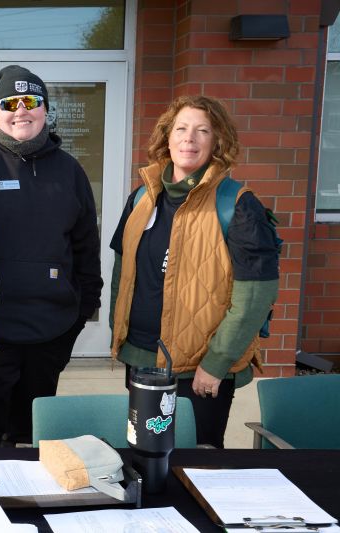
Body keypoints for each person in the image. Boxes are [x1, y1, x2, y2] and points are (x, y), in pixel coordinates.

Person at [0, 65, 103, 447]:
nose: (20, 111)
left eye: (31, 101)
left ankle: (26, 504)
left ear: (45, 110)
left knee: (32, 436)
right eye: (9, 103)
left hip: (49, 334)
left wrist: (80, 314)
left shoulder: (69, 170)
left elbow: (85, 249)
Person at [110, 95, 279, 448]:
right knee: (144, 453)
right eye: (182, 129)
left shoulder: (237, 205)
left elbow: (255, 296)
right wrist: (119, 331)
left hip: (200, 369)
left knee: (198, 460)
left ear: (217, 143)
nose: (190, 138)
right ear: (166, 137)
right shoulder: (142, 197)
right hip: (141, 357)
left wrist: (217, 363)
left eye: (203, 131)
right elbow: (122, 271)